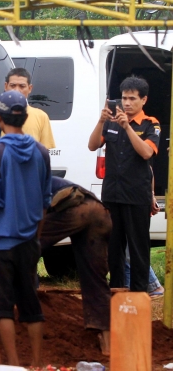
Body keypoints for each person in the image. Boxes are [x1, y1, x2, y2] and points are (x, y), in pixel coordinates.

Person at [0, 90, 51, 367]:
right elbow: (45, 201)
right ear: (25, 118)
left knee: (2, 308)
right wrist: (35, 237)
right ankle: (37, 365)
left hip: (0, 242)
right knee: (30, 305)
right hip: (29, 242)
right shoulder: (41, 152)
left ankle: (12, 365)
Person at [88, 76, 160, 292]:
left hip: (136, 195)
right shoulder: (110, 122)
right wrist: (101, 121)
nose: (127, 103)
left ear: (143, 100)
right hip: (112, 194)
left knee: (138, 247)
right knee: (114, 246)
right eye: (124, 98)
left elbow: (146, 152)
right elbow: (92, 146)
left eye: (132, 99)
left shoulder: (150, 124)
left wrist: (128, 127)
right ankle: (117, 290)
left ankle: (139, 292)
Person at [40, 176, 111, 355]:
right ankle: (107, 341)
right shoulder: (40, 175)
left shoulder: (9, 181)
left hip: (73, 209)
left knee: (24, 251)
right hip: (98, 211)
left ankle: (25, 312)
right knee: (95, 278)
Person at [4, 68, 56, 149]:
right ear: (6, 86)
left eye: (22, 86)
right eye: (13, 85)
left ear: (30, 88)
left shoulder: (41, 116)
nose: (17, 90)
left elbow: (44, 152)